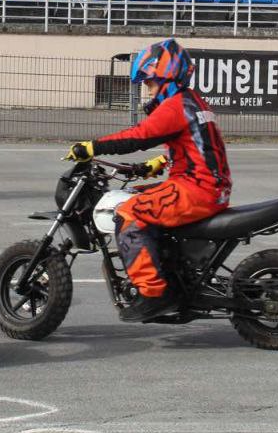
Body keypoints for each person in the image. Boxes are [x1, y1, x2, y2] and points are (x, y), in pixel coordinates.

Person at [65, 39, 231, 322]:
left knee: (129, 212)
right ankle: (171, 272)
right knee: (137, 194)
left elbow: (138, 136)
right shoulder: (193, 101)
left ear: (166, 78)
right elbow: (197, 147)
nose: (148, 90)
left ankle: (154, 293)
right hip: (207, 186)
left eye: (150, 82)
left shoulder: (175, 106)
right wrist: (159, 163)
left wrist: (92, 147)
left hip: (196, 189)